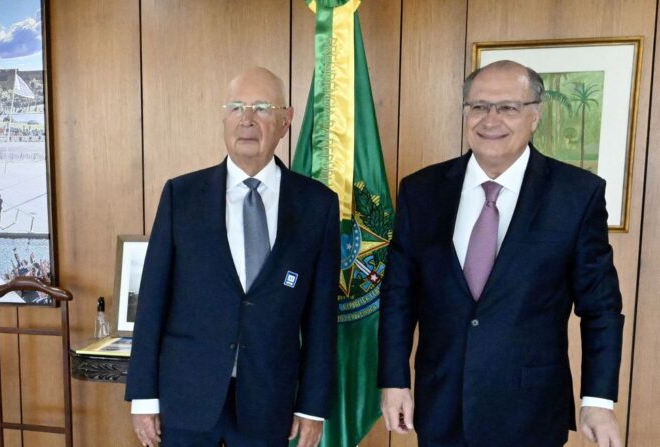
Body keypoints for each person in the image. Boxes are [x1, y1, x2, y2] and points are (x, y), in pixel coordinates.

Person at [378, 60, 624, 447]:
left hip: (531, 411)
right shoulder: (421, 190)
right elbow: (397, 296)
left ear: (535, 116)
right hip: (441, 405)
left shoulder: (576, 195)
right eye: (478, 106)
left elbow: (601, 307)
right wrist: (394, 379)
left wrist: (597, 400)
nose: (490, 119)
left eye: (508, 107)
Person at [125, 67, 339, 447]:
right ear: (223, 118)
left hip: (269, 402)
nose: (247, 120)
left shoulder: (316, 205)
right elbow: (152, 300)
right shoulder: (181, 196)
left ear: (286, 120)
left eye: (261, 107)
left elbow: (321, 316)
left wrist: (312, 407)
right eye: (237, 107)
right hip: (186, 398)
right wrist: (143, 396)